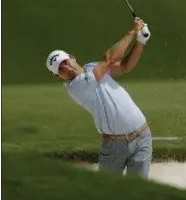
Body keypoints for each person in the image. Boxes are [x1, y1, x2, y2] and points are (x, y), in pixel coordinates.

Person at [46, 17, 152, 178]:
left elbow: (125, 67)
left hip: (142, 136)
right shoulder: (75, 87)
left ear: (72, 58)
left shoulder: (91, 67)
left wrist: (140, 42)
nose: (66, 68)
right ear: (58, 76)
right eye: (60, 69)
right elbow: (109, 59)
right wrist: (132, 32)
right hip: (114, 146)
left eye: (65, 62)